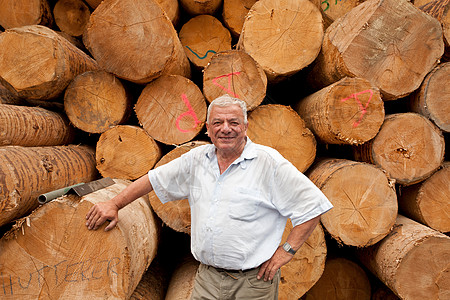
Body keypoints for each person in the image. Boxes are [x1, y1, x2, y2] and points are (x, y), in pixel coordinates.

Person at [85, 94, 333, 299]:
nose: (226, 129)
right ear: (208, 129)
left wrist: (287, 251)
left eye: (234, 122)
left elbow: (312, 206)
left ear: (246, 127)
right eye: (218, 123)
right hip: (207, 280)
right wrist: (114, 203)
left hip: (254, 284)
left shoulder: (269, 163)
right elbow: (154, 179)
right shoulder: (196, 159)